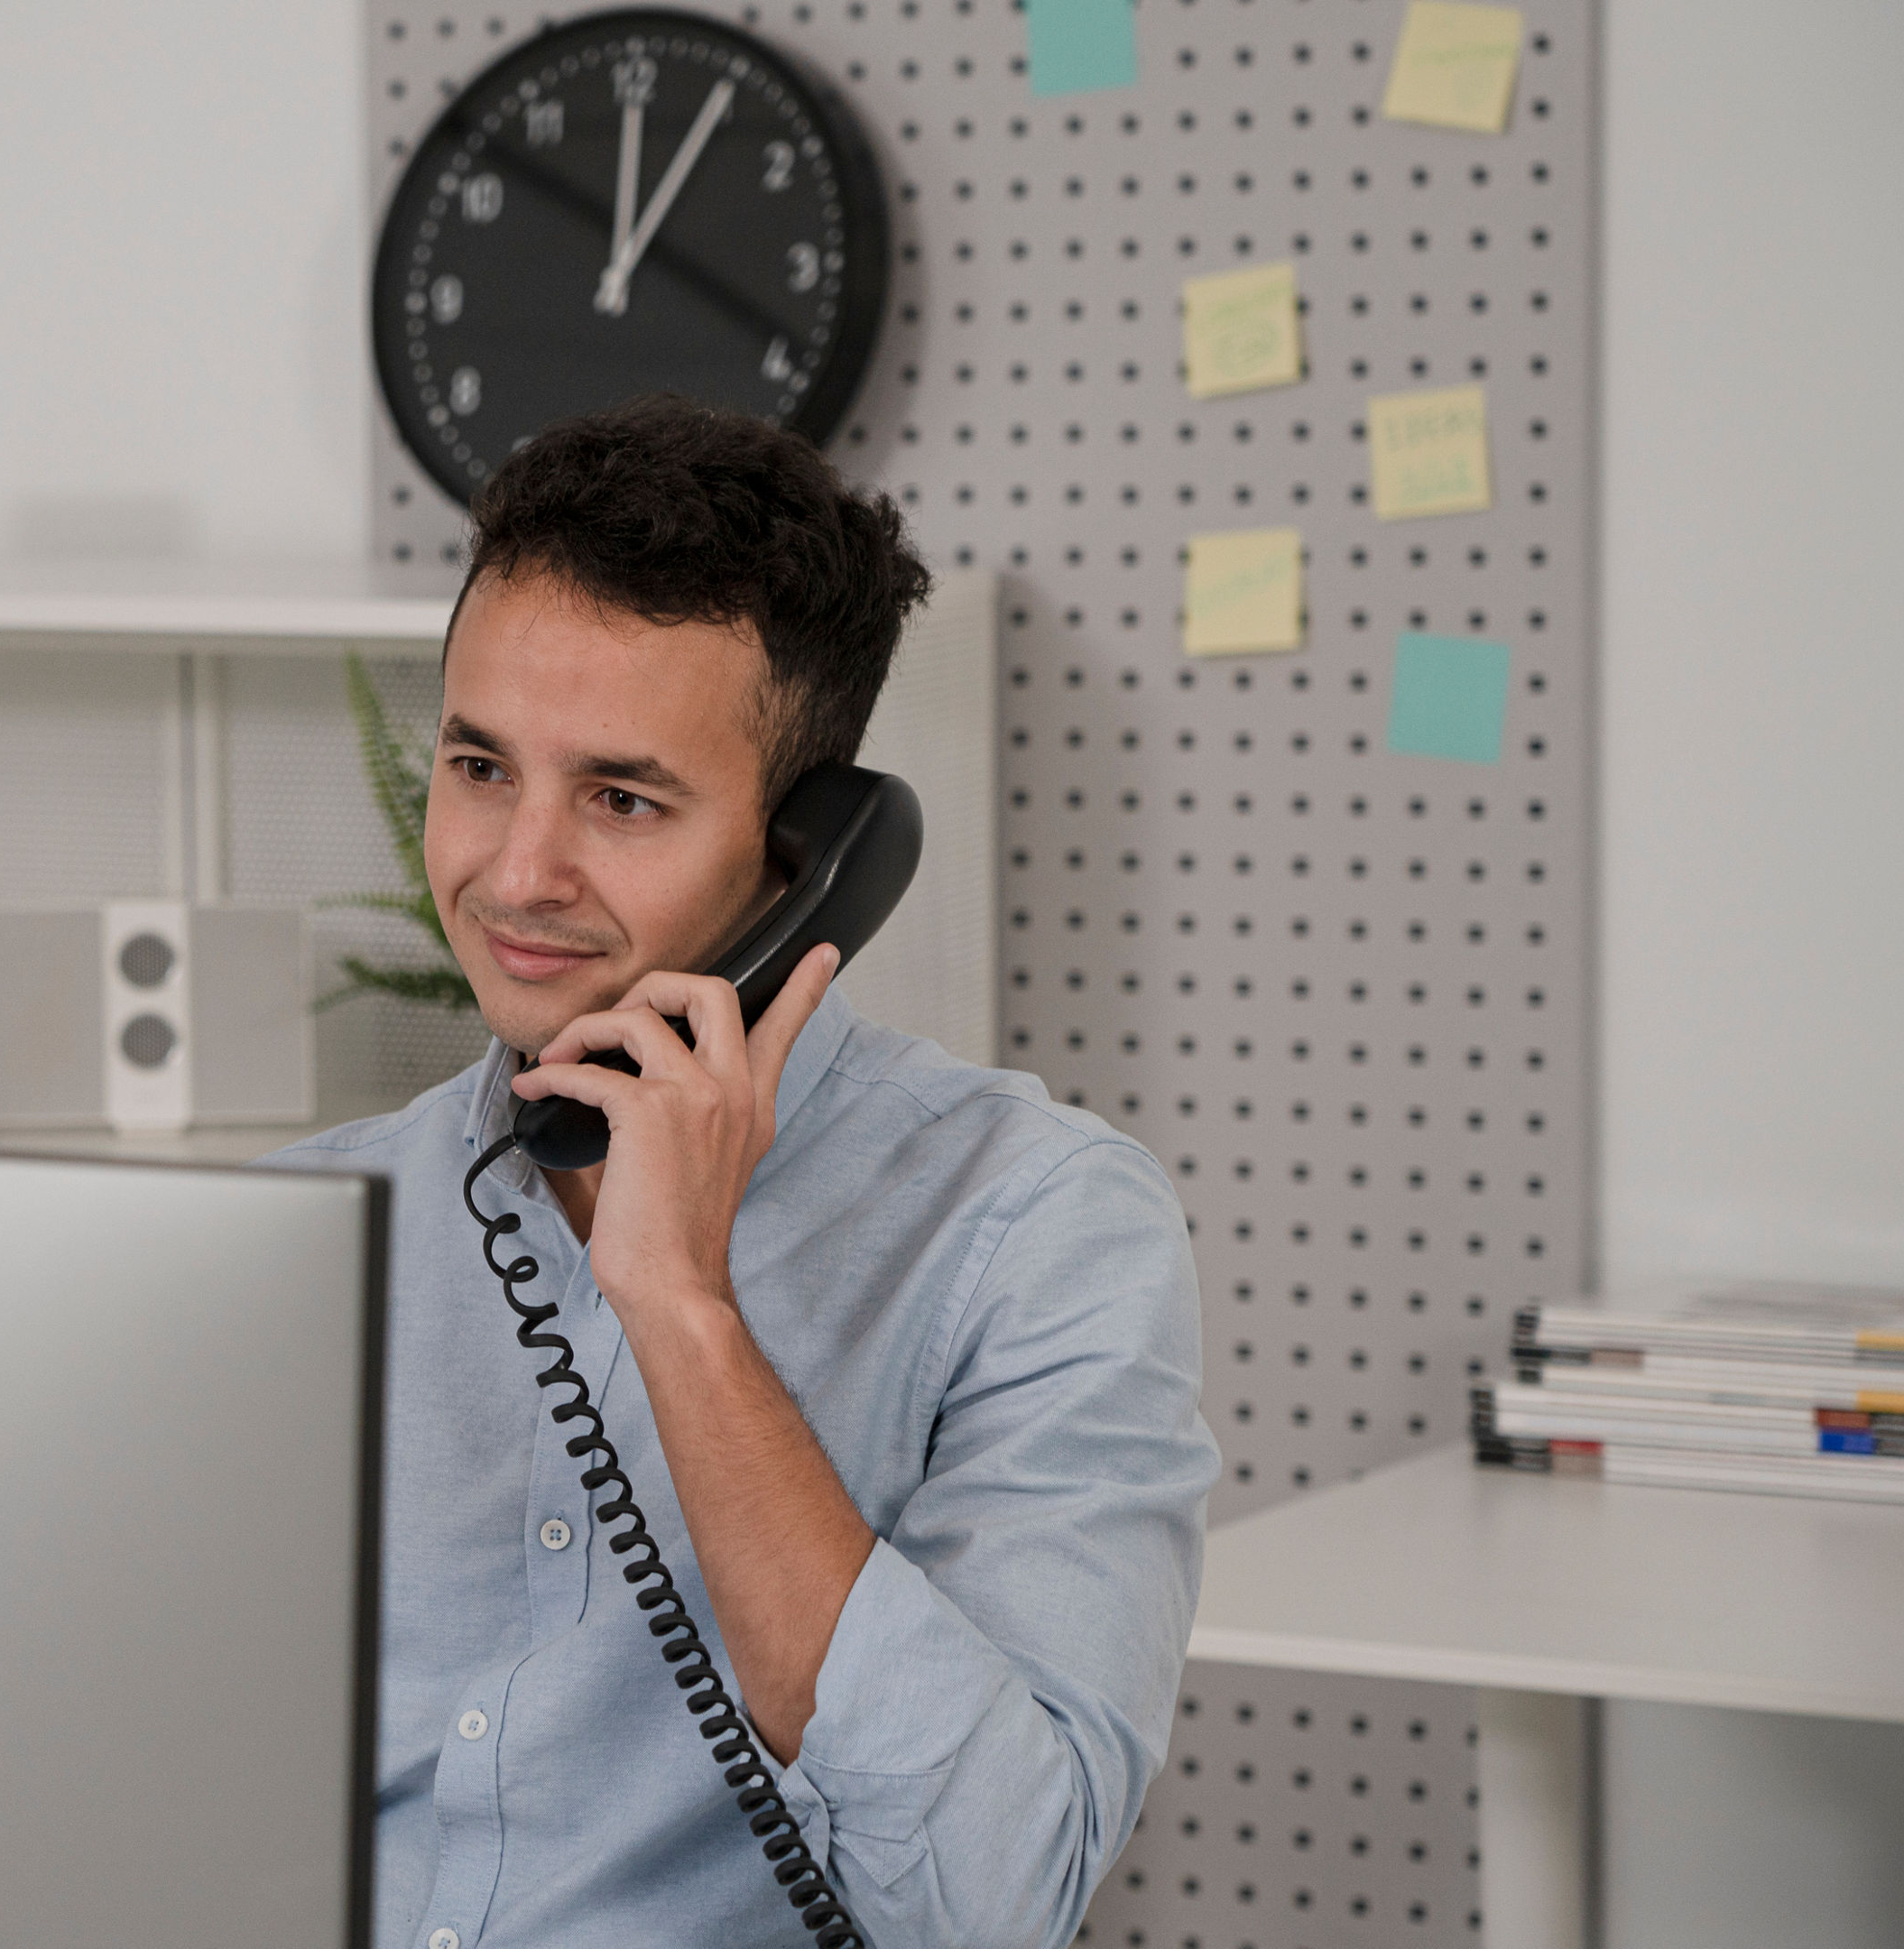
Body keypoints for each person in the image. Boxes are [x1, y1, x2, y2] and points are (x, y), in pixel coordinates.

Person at [263, 397, 1216, 1949]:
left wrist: (680, 1304)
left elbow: (989, 1905)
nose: (516, 873)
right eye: (481, 766)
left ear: (808, 859)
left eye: (622, 800)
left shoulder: (1038, 1229)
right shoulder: (308, 1229)